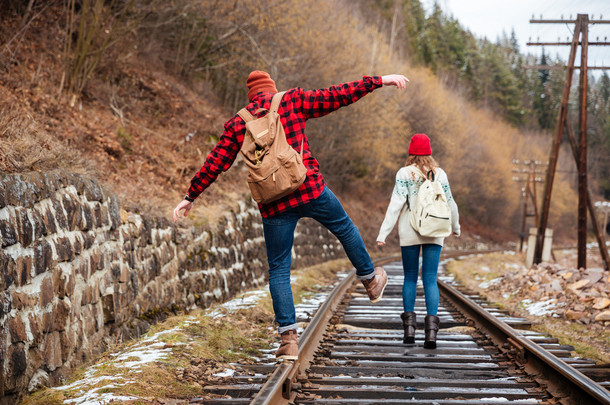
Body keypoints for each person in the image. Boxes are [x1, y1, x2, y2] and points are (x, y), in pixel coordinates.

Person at [173, 70, 409, 361]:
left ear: (251, 96)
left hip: (273, 204)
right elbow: (337, 95)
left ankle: (288, 341)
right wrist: (379, 80)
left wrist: (190, 196)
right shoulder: (291, 101)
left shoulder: (238, 123)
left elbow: (216, 162)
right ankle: (370, 280)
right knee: (345, 228)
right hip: (310, 189)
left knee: (279, 269)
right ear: (271, 89)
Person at [376, 133, 460, 349]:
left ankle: (409, 332)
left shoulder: (404, 173)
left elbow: (395, 205)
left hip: (409, 230)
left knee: (410, 277)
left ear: (411, 151)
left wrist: (383, 234)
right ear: (429, 151)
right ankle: (431, 335)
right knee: (431, 278)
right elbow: (450, 203)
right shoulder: (439, 174)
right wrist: (455, 227)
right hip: (436, 229)